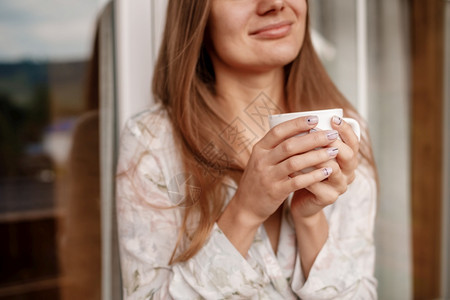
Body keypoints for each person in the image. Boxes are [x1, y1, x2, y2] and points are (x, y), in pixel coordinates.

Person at [116, 0, 378, 299]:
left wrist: (310, 220)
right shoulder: (152, 142)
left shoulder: (347, 132)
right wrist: (246, 212)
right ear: (197, 13)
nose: (275, 3)